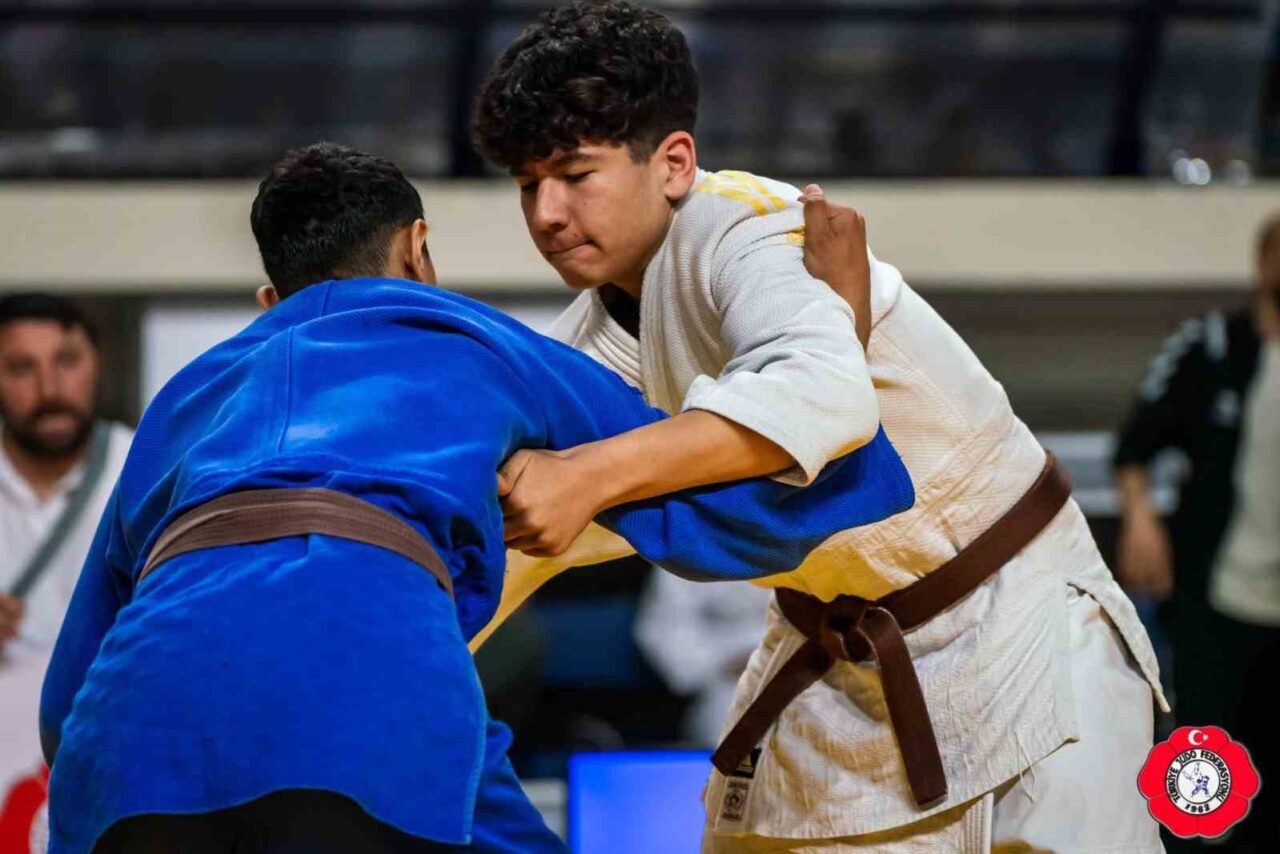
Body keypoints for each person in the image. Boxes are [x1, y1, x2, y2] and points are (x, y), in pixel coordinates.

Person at [39, 142, 911, 853]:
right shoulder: (469, 339)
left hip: (124, 748)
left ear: (271, 301)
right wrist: (835, 323)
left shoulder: (186, 397)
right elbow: (740, 495)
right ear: (419, 251)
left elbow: (64, 696)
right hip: (363, 712)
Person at [472, 3, 1167, 850]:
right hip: (832, 649)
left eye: (575, 175)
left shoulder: (752, 232)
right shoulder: (588, 341)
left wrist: (590, 475)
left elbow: (824, 394)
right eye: (526, 184)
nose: (546, 211)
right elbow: (516, 536)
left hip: (1013, 624)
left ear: (675, 163)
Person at [1114, 212, 1280, 850]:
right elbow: (1136, 444)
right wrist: (1140, 515)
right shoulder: (1211, 344)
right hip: (1219, 599)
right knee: (1202, 784)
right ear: (1262, 265)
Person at [0, 293, 133, 852]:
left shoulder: (147, 472)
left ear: (97, 365)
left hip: (116, 750)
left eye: (66, 361)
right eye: (21, 368)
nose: (50, 389)